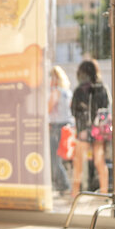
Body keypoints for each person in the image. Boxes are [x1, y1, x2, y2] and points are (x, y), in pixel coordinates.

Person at [70, 60, 111, 197]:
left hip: (83, 130)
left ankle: (75, 193)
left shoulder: (79, 90)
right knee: (100, 162)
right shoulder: (102, 88)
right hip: (99, 130)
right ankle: (104, 193)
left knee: (79, 163)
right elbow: (106, 107)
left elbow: (74, 111)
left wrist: (82, 127)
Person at [48, 66, 73, 196]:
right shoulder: (67, 92)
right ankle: (62, 185)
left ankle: (63, 185)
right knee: (60, 158)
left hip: (56, 127)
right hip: (66, 126)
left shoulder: (56, 92)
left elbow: (48, 108)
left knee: (54, 159)